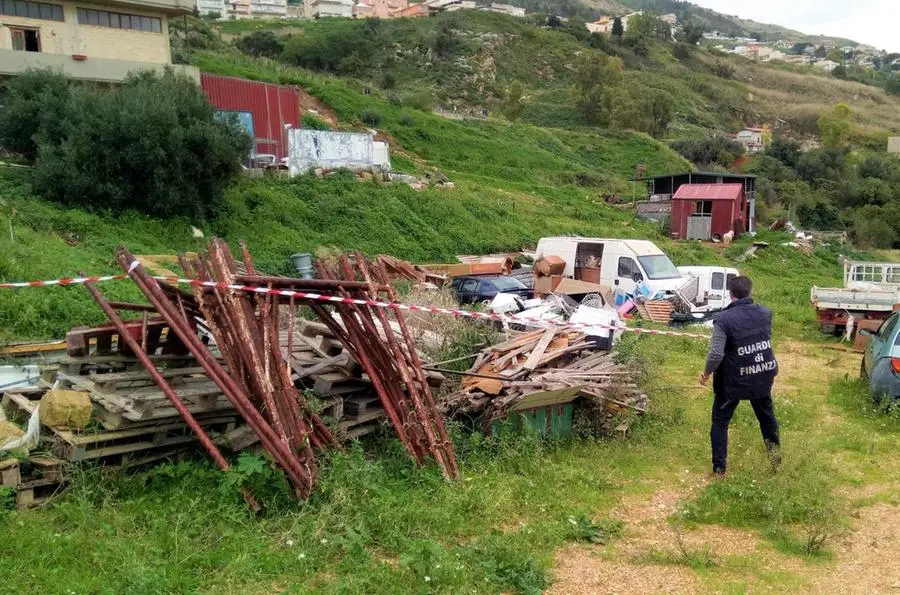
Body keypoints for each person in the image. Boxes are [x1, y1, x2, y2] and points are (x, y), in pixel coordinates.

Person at [699, 276, 780, 475]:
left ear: (730, 293)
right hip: (761, 373)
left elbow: (717, 353)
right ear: (750, 291)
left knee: (720, 422)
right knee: (767, 418)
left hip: (732, 381)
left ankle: (719, 469)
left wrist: (706, 373)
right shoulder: (765, 313)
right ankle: (776, 460)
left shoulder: (724, 319)